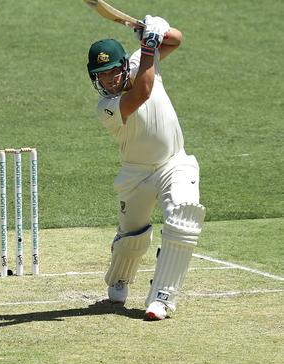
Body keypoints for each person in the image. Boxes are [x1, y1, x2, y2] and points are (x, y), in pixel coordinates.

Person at [86, 16, 206, 320]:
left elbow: (176, 39)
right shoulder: (107, 107)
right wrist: (149, 44)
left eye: (114, 71)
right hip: (136, 173)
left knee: (184, 215)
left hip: (173, 163)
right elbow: (143, 91)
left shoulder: (142, 58)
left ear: (125, 64)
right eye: (102, 76)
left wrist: (157, 29)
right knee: (132, 238)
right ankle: (120, 277)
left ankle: (162, 297)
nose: (110, 80)